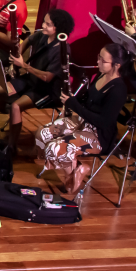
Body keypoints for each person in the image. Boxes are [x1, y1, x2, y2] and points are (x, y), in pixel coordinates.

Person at [43, 42, 130, 196]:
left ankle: (72, 180)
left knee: (55, 148)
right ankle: (77, 168)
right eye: (99, 58)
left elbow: (103, 122)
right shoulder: (101, 76)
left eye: (102, 60)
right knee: (44, 134)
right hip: (85, 123)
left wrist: (75, 106)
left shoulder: (118, 90)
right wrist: (70, 102)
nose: (98, 62)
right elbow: (86, 101)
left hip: (100, 135)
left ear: (116, 65)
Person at [0, 7, 75, 152]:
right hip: (31, 80)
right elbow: (27, 41)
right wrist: (17, 55)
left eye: (47, 24)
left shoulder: (61, 50)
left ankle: (12, 146)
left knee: (16, 106)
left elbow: (47, 77)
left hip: (47, 90)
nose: (43, 26)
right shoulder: (42, 35)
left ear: (57, 29)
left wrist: (24, 65)